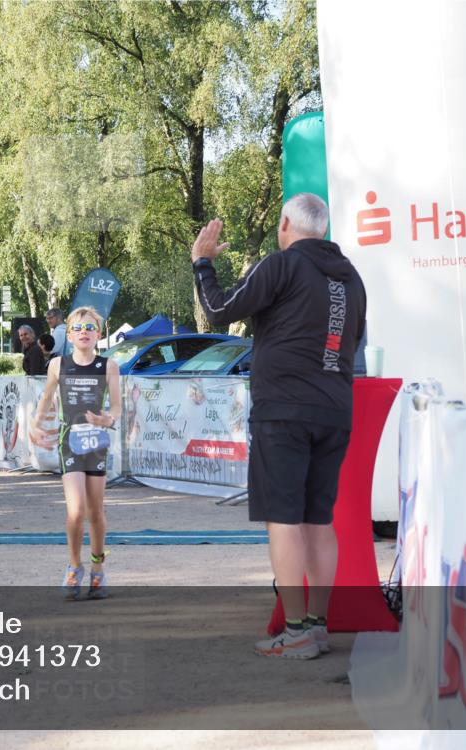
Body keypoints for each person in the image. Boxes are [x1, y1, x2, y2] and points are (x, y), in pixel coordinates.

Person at [191, 193, 366, 660]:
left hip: (283, 411)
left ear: (286, 222)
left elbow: (219, 310)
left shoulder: (281, 265)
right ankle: (318, 625)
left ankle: (296, 632)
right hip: (333, 410)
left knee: (284, 521)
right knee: (318, 520)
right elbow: (355, 340)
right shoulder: (351, 278)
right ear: (323, 228)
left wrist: (202, 264)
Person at [29, 306, 121, 600]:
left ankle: (98, 569)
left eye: (90, 328)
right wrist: (35, 424)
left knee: (96, 512)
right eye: (78, 328)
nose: (84, 333)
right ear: (68, 334)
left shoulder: (109, 366)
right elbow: (45, 397)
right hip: (70, 441)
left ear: (99, 334)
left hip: (96, 444)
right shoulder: (58, 365)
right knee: (76, 510)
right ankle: (74, 566)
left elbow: (117, 407)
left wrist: (108, 419)